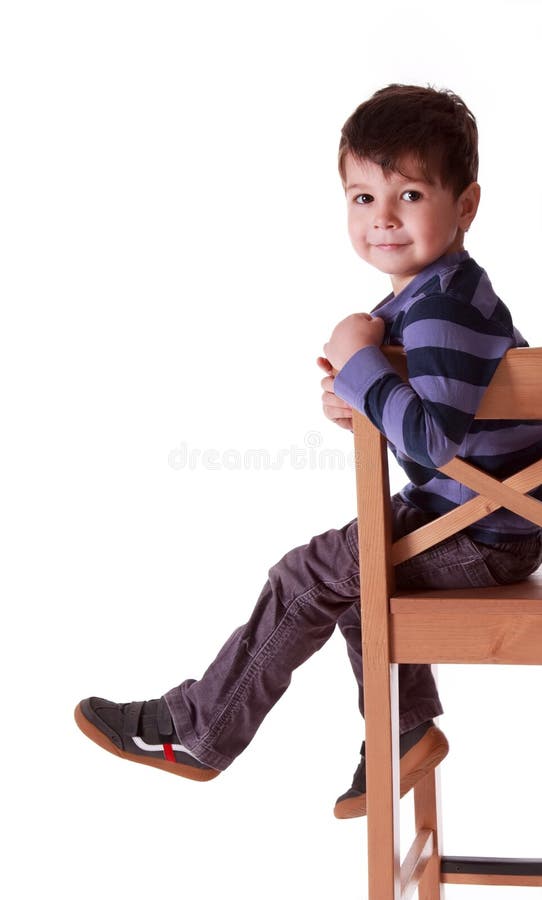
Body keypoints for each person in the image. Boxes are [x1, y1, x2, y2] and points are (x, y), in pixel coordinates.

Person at [75, 84, 542, 819]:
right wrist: (364, 392)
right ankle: (405, 729)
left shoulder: (445, 303)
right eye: (361, 197)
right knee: (349, 578)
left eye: (410, 193)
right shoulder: (434, 295)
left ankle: (202, 728)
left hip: (486, 532)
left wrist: (360, 365)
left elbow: (435, 438)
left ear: (467, 205)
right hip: (478, 519)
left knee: (306, 576)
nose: (382, 217)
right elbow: (441, 416)